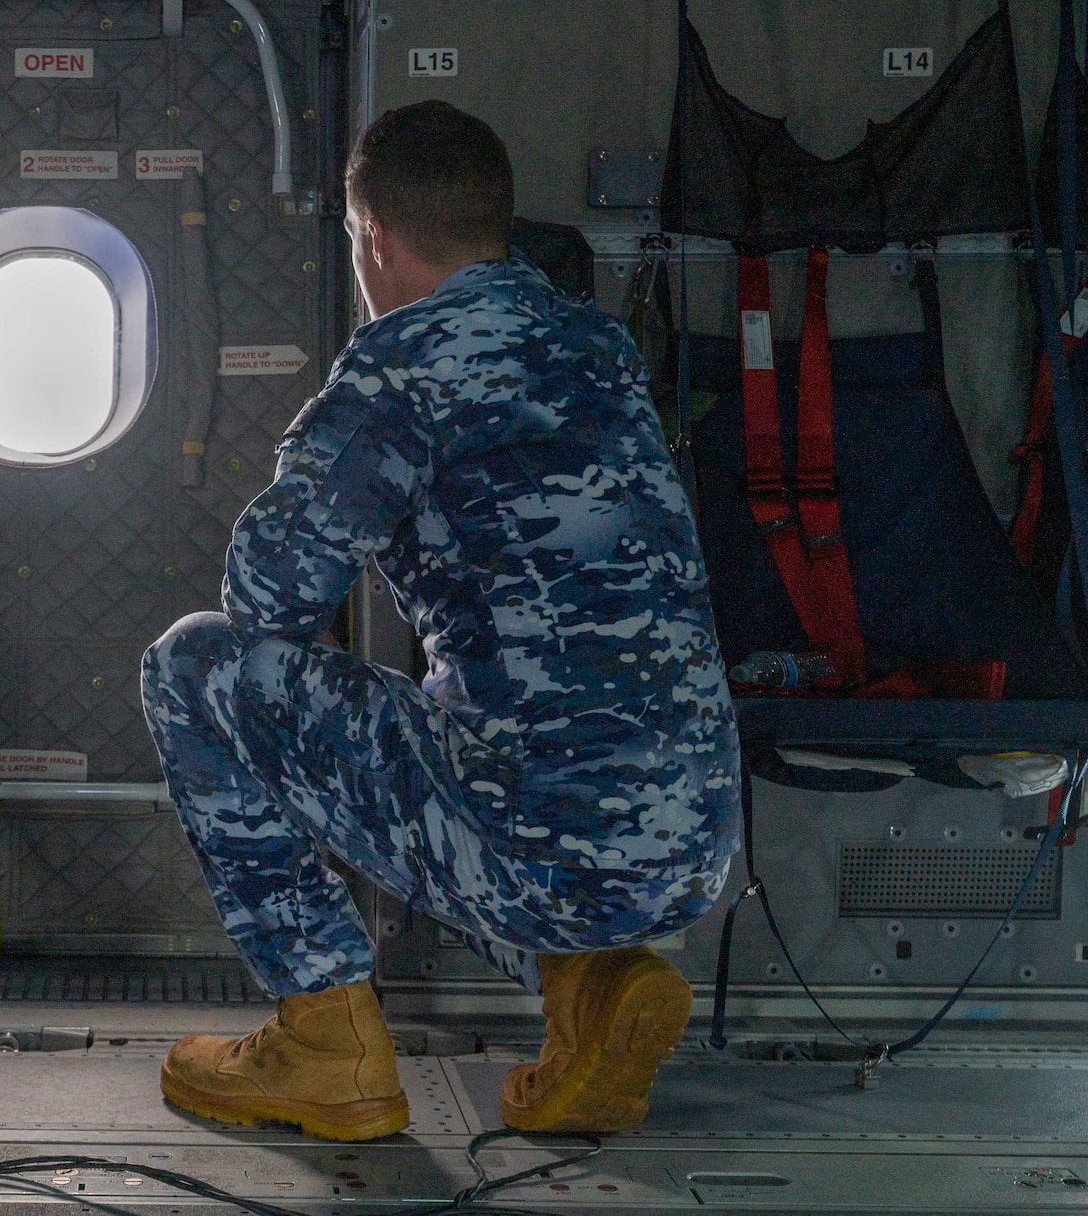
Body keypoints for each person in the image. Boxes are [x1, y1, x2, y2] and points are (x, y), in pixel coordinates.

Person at [141, 101, 739, 1142]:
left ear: (370, 234)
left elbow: (265, 594)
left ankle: (324, 1038)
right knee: (464, 717)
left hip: (545, 848)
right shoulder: (593, 342)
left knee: (191, 664)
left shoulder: (403, 360)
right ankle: (592, 991)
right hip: (691, 839)